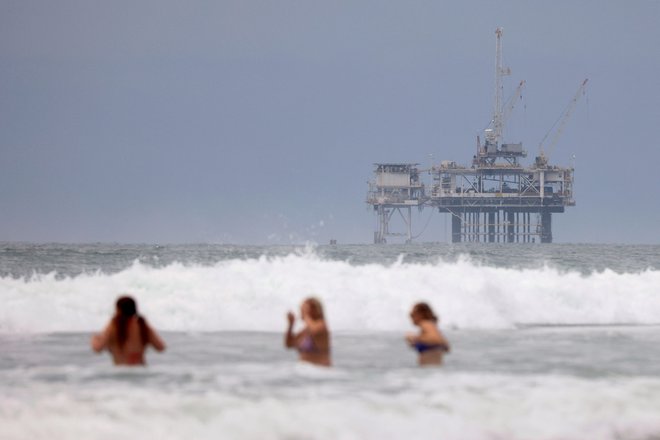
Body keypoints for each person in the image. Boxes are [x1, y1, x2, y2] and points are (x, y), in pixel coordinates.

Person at [91, 295, 166, 366]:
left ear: (118, 309)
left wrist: (94, 338)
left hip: (120, 372)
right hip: (141, 371)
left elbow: (98, 348)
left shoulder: (114, 325)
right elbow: (161, 347)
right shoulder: (142, 325)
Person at [285, 297, 331, 367]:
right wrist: (291, 325)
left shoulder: (321, 325)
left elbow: (315, 331)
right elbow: (289, 344)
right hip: (305, 372)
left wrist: (306, 315)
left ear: (315, 310)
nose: (301, 312)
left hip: (321, 372)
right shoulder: (305, 330)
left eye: (304, 309)